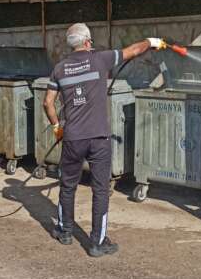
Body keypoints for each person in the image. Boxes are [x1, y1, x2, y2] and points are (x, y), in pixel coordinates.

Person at [43, 23, 165, 257]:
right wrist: (151, 42)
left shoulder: (59, 69)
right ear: (87, 41)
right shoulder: (100, 59)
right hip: (98, 138)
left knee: (68, 185)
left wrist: (57, 127)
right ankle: (97, 242)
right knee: (100, 189)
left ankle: (65, 231)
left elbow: (48, 102)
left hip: (73, 138)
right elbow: (133, 51)